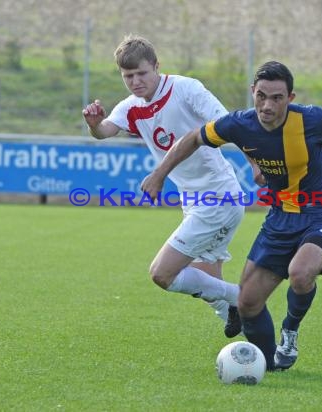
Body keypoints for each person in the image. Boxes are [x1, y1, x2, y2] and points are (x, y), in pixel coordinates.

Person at [141, 61, 322, 371]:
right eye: (261, 96)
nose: (267, 105)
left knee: (300, 273)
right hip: (279, 217)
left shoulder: (313, 120)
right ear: (252, 93)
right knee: (247, 303)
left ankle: (290, 330)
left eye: (276, 97)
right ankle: (269, 365)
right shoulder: (239, 124)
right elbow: (193, 138)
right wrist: (159, 173)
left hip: (321, 212)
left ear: (291, 97)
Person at [82, 34, 257, 338]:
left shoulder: (186, 89)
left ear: (157, 66)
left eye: (141, 73)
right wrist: (94, 124)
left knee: (162, 274)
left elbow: (230, 125)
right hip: (193, 201)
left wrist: (255, 164)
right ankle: (240, 321)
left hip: (218, 197)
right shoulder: (130, 106)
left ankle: (242, 298)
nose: (135, 81)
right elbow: (104, 131)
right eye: (128, 76)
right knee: (206, 280)